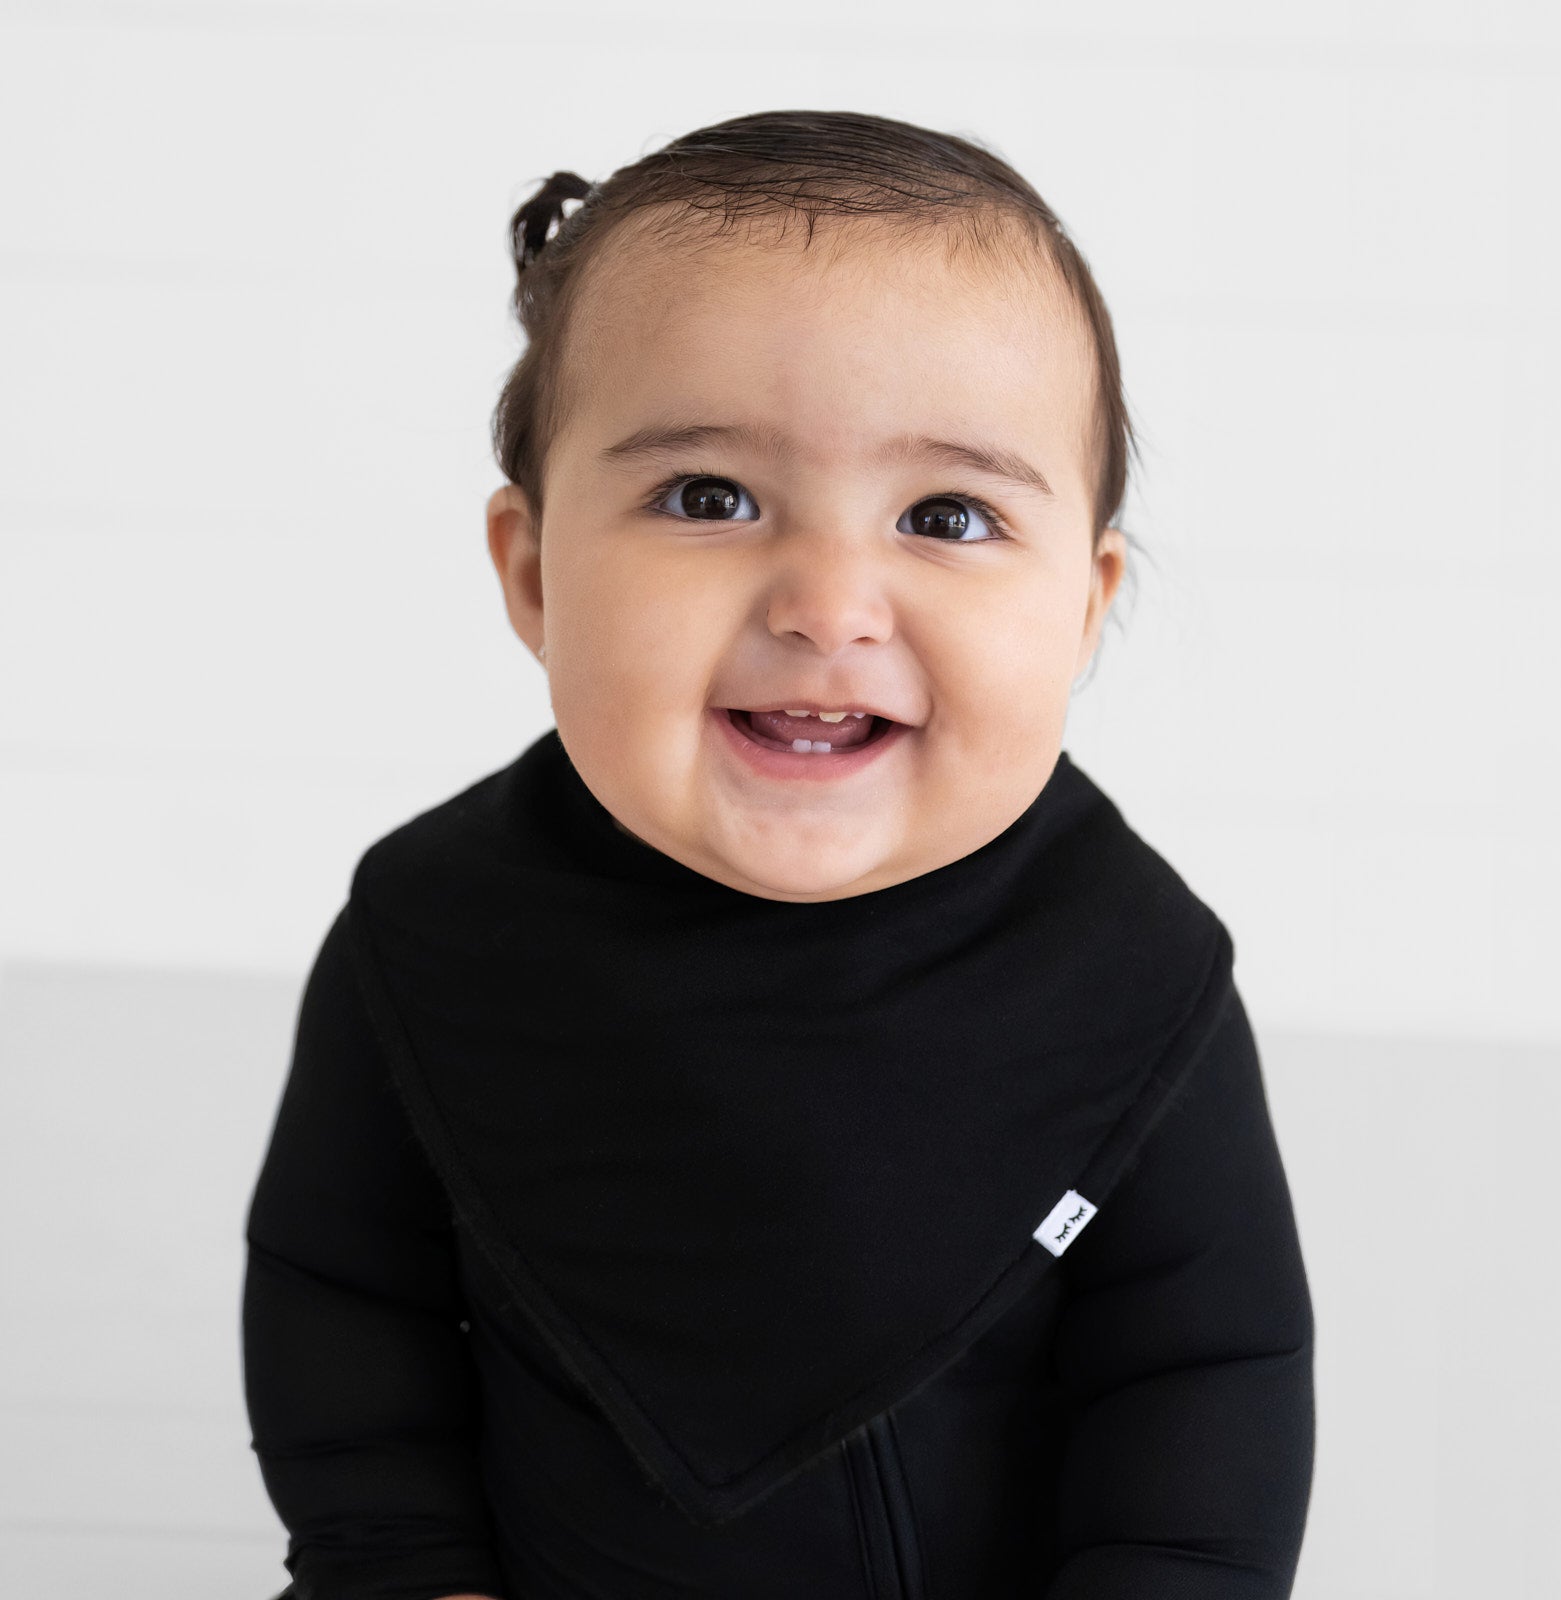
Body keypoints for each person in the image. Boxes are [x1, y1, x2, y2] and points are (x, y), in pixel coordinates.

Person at [241, 108, 1315, 1600]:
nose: (826, 602)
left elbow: (1209, 1371)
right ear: (537, 571)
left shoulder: (1131, 978)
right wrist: (402, 1565)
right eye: (709, 498)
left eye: (947, 514)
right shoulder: (435, 936)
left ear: (1083, 605)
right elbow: (344, 1299)